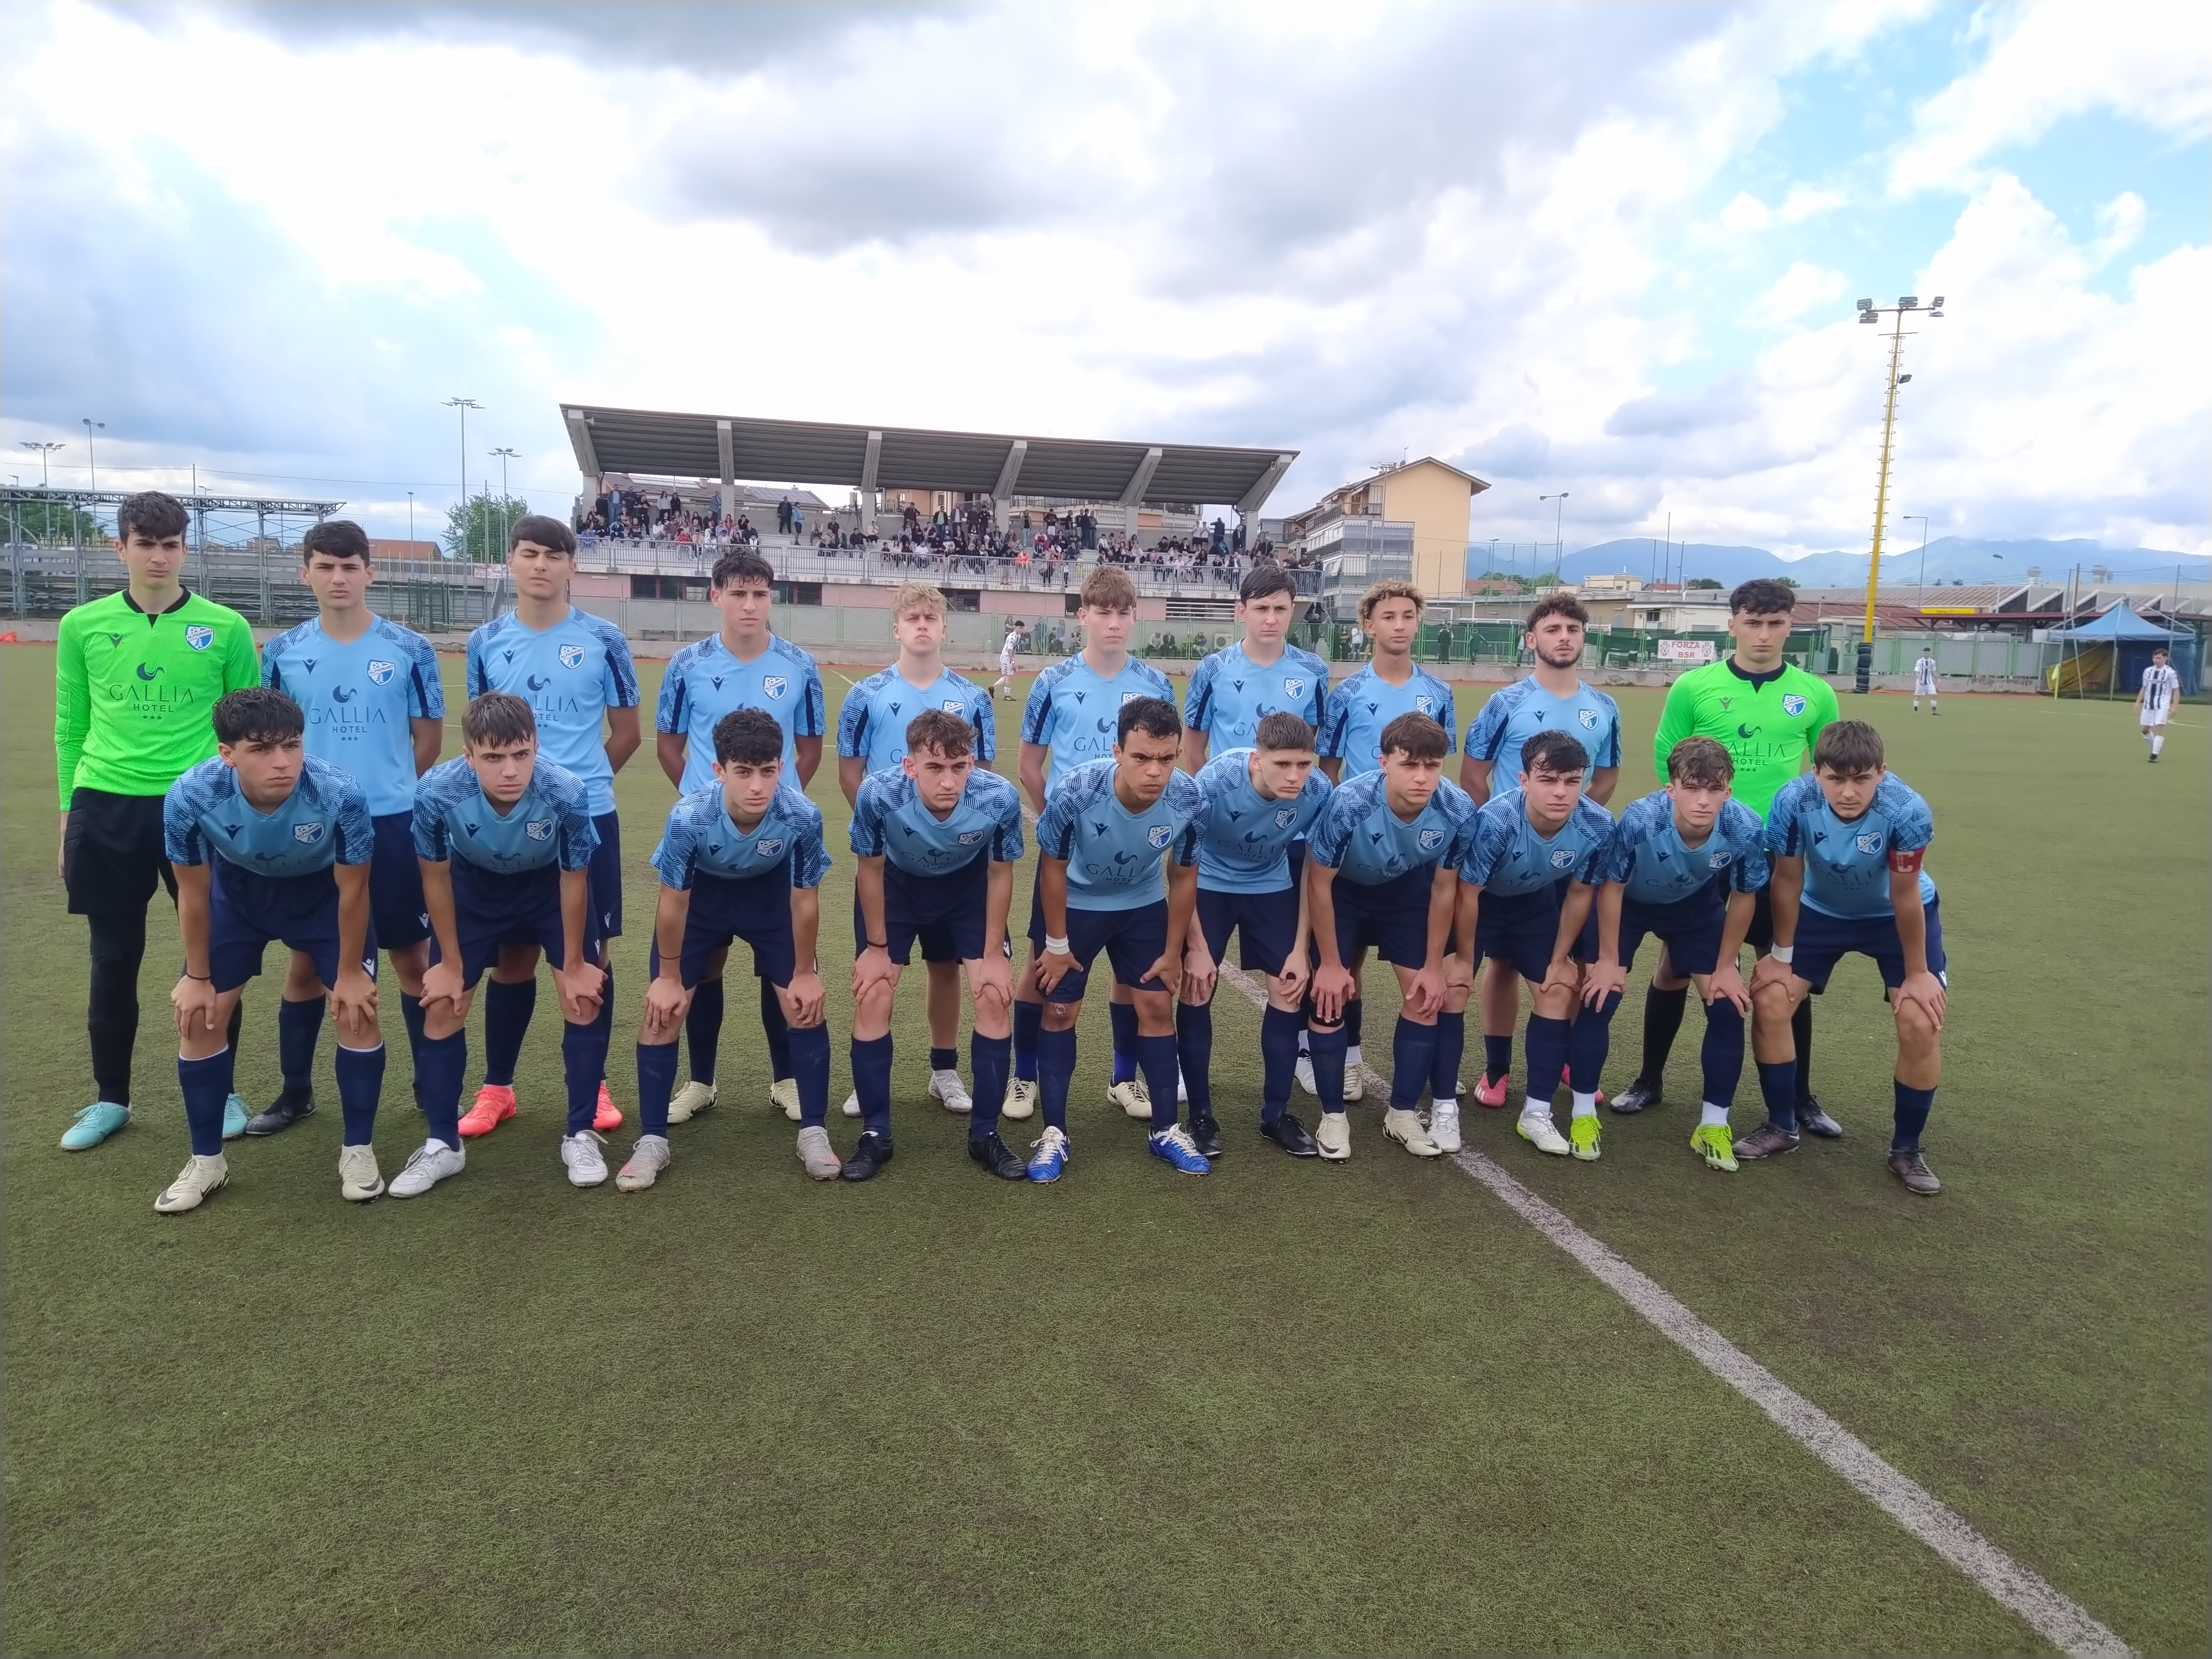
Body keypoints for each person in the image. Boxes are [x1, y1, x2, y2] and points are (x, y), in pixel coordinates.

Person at [55, 490, 262, 1152]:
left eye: (170, 545)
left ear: (184, 549)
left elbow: (247, 730)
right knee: (113, 957)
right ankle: (110, 1099)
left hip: (200, 807)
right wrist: (68, 817)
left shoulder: (225, 628)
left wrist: (245, 813)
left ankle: (221, 1089)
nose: (158, 557)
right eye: (144, 544)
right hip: (105, 803)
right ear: (120, 548)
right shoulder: (82, 625)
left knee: (214, 954)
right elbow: (71, 727)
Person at [1617, 578, 1838, 1134]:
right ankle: (1648, 1080)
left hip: (1778, 858)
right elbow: (1669, 760)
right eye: (1753, 622)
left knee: (1782, 972)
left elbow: (1828, 773)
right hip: (1706, 853)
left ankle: (1800, 1098)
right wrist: (1704, 822)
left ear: (1790, 626)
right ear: (1732, 623)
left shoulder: (1815, 693)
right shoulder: (1693, 687)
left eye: (1775, 624)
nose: (1763, 635)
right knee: (1674, 967)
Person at [156, 690, 380, 1212]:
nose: (282, 762)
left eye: (291, 745)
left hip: (323, 898)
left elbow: (354, 889)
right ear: (227, 753)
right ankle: (207, 1162)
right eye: (261, 749)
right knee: (200, 1018)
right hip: (239, 897)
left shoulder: (339, 792)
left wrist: (350, 971)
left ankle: (359, 1150)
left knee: (358, 1011)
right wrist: (197, 976)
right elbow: (192, 892)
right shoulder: (190, 795)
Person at [255, 519, 443, 1136]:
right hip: (310, 828)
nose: (338, 578)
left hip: (392, 823)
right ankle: (295, 1092)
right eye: (325, 566)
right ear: (304, 573)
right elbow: (270, 740)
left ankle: (430, 1085)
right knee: (308, 963)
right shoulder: (281, 652)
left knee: (412, 957)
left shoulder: (410, 648)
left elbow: (427, 739)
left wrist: (387, 790)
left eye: (350, 566)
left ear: (370, 572)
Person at [462, 516, 639, 1140]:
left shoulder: (604, 638)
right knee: (511, 958)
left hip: (586, 817)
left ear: (571, 566)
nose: (541, 565)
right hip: (505, 821)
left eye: (553, 555)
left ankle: (593, 1086)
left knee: (589, 956)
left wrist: (576, 788)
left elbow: (627, 731)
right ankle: (498, 1088)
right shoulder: (486, 640)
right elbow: (478, 729)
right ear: (511, 560)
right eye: (530, 553)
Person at [399, 693, 610, 1197]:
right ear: (469, 755)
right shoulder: (437, 791)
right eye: (493, 757)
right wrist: (450, 963)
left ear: (536, 746)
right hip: (475, 888)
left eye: (521, 754)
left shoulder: (565, 790)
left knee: (582, 997)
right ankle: (443, 1144)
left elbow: (574, 878)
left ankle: (580, 1134)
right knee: (444, 1003)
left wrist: (574, 963)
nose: (510, 770)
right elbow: (435, 876)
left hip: (547, 887)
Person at [654, 549, 826, 1125]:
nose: (750, 605)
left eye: (759, 593)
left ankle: (787, 1081)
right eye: (738, 593)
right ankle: (701, 1082)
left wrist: (774, 805)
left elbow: (809, 749)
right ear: (716, 596)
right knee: (702, 968)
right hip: (705, 849)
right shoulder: (687, 664)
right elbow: (669, 746)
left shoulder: (800, 664)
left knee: (784, 969)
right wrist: (707, 808)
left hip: (775, 846)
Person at [626, 709, 833, 1187]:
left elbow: (804, 899)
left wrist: (805, 971)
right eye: (743, 772)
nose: (757, 786)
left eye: (767, 771)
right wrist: (668, 976)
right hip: (703, 901)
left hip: (769, 899)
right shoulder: (690, 817)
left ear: (781, 767)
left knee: (803, 1005)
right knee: (663, 1011)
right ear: (719, 770)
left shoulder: (801, 815)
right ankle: (652, 1140)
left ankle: (815, 1133)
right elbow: (673, 902)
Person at [1747, 721, 1948, 1194]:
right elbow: (1787, 880)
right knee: (1771, 999)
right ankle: (1781, 1126)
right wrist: (1780, 955)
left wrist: (1918, 973)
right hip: (1820, 911)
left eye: (1862, 779)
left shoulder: (1907, 810)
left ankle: (1907, 1149)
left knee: (1920, 1021)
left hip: (1894, 916)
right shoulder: (1793, 800)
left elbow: (1904, 895)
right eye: (1836, 778)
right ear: (1817, 772)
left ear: (1882, 772)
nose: (1849, 792)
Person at [1013, 566, 1176, 1125]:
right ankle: (1024, 1075)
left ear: (1134, 617)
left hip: (1135, 851)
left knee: (1135, 978)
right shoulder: (1052, 680)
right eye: (1102, 612)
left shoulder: (1155, 682)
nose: (1113, 622)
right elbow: (1029, 765)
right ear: (1082, 615)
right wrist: (1057, 824)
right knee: (1042, 966)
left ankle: (1124, 1078)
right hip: (1069, 856)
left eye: (1123, 612)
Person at [835, 584, 999, 1123]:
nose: (923, 625)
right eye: (913, 618)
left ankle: (943, 1070)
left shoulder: (973, 697)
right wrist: (889, 831)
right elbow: (850, 773)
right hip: (892, 864)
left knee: (946, 969)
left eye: (931, 617)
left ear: (944, 628)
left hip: (958, 864)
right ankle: (868, 1081)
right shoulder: (866, 694)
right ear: (897, 628)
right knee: (879, 971)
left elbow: (984, 778)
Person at [1026, 697, 1207, 1181]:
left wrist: (1173, 952)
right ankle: (1054, 1134)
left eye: (1166, 759)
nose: (1155, 771)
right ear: (1118, 752)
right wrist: (1057, 945)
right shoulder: (1077, 790)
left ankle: (1166, 1130)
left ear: (1178, 754)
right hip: (1076, 903)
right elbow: (1052, 869)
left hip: (1140, 904)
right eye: (1141, 757)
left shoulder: (1190, 799)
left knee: (1156, 1006)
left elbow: (1184, 878)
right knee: (1059, 1011)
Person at [1459, 592, 1621, 1110]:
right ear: (1532, 640)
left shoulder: (1605, 707)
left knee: (1565, 965)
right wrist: (1501, 835)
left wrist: (1568, 828)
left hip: (1565, 860)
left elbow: (1607, 776)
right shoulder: (1505, 702)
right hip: (1503, 858)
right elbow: (1473, 775)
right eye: (1553, 629)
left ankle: (1562, 1061)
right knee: (1503, 965)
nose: (1564, 637)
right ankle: (1498, 1067)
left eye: (1573, 629)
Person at [849, 709, 1025, 1181]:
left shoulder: (998, 797)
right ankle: (875, 1134)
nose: (949, 781)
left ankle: (985, 1135)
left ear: (972, 763)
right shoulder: (878, 794)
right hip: (897, 887)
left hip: (968, 890)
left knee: (993, 995)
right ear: (910, 766)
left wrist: (993, 954)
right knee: (874, 992)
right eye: (935, 768)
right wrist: (877, 948)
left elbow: (1000, 873)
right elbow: (869, 869)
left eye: (959, 766)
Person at [1579, 738, 1766, 1173]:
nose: (1703, 801)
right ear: (1671, 789)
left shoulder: (1745, 826)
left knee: (1727, 1005)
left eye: (1714, 790)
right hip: (1629, 905)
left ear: (1728, 790)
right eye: (1692, 788)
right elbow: (1613, 888)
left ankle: (1713, 1125)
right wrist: (1608, 959)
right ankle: (1583, 1115)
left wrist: (1727, 965)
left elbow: (1744, 896)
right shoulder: (1641, 819)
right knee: (1599, 997)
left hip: (1694, 908)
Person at [1303, 712, 1475, 1161]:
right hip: (1344, 892)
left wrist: (1435, 966)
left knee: (1425, 997)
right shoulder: (1349, 802)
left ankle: (1401, 1114)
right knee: (1328, 997)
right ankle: (1333, 1115)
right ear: (1384, 762)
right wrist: (1330, 964)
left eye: (1432, 766)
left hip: (1404, 892)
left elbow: (1444, 888)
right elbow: (1319, 882)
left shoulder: (1457, 809)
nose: (1421, 777)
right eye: (1409, 764)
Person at [1311, 580, 1458, 1103]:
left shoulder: (1439, 693)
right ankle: (1350, 1059)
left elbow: (1435, 765)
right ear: (1368, 625)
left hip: (1409, 853)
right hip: (1353, 848)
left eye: (1408, 616)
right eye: (1388, 616)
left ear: (1418, 623)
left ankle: (1424, 1075)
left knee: (1422, 972)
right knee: (1343, 966)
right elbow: (1328, 770)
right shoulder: (1347, 692)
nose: (1399, 625)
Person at [1452, 728, 1618, 1159]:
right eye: (1548, 780)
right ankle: (1451, 1094)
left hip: (1533, 904)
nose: (1561, 792)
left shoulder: (1599, 824)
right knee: (1451, 986)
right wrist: (1464, 959)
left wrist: (1561, 957)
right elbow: (1467, 894)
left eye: (1572, 781)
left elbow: (1580, 893)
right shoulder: (1496, 821)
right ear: (1524, 780)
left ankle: (1537, 1113)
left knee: (1558, 987)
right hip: (1480, 904)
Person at [1178, 713, 1332, 1158]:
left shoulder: (1319, 791)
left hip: (1270, 884)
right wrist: (1197, 946)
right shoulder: (1215, 782)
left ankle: (1275, 1115)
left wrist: (1301, 949)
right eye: (1282, 764)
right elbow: (1181, 865)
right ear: (1256, 759)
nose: (1295, 776)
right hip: (1209, 883)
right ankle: (1201, 1115)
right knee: (1196, 988)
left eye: (1303, 764)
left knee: (1289, 988)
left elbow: (1314, 871)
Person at [2138, 646, 2180, 760]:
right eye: (2154, 658)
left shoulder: (2170, 673)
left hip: (2162, 704)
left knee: (2159, 727)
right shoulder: (2148, 671)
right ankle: (2156, 747)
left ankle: (2154, 755)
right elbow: (2144, 687)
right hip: (2148, 704)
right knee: (2145, 730)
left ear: (2165, 659)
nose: (2156, 660)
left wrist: (2175, 707)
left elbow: (2176, 690)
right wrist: (2138, 702)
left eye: (2159, 658)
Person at [993, 623, 1023, 700]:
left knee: (1008, 676)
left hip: (1009, 658)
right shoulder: (1012, 638)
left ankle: (993, 687)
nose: (1021, 630)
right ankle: (1007, 696)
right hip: (1006, 658)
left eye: (1022, 628)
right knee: (1009, 677)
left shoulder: (1018, 636)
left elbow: (1013, 650)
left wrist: (1014, 661)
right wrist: (1012, 663)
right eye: (1020, 628)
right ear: (1015, 627)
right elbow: (1009, 650)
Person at [1912, 649, 1939, 715]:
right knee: (1918, 696)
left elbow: (1933, 671)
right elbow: (1917, 672)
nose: (1925, 654)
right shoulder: (1920, 661)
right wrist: (1920, 680)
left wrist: (1937, 679)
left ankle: (1934, 711)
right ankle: (1916, 711)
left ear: (1929, 653)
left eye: (1926, 653)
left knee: (1934, 695)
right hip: (1921, 682)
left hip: (1929, 682)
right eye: (1924, 653)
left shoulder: (1932, 662)